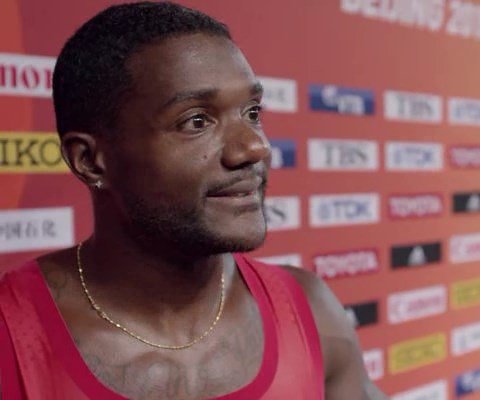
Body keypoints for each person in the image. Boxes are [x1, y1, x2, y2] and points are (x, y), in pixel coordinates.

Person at [0, 2, 387, 399]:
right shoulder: (11, 332)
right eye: (196, 121)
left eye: (252, 113)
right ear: (89, 160)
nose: (254, 147)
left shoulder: (309, 310)